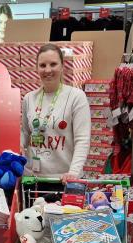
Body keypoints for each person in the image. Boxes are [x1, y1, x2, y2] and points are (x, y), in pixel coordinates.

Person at [21, 43, 91, 184]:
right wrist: (18, 151)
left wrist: (73, 172)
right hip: (32, 179)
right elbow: (24, 132)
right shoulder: (29, 98)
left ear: (62, 66)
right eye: (42, 65)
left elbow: (82, 139)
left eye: (53, 64)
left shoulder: (76, 97)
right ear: (36, 68)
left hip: (65, 180)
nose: (48, 70)